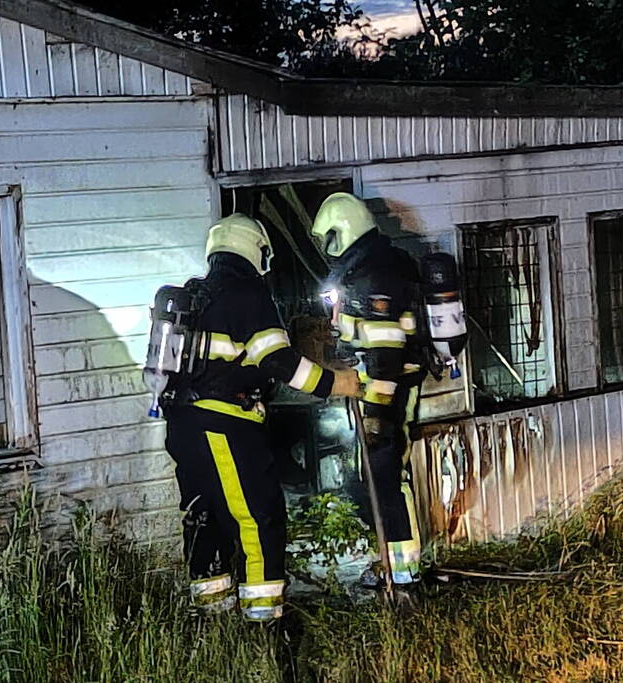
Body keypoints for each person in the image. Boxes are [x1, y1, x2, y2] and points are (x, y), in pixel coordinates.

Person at [163, 213, 359, 622]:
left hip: (184, 425)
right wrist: (335, 384)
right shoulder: (246, 294)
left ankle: (211, 619)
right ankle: (265, 624)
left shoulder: (198, 295)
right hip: (225, 426)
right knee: (257, 518)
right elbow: (280, 362)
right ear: (255, 249)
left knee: (206, 516)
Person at [311, 192, 426, 587]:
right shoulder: (367, 267)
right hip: (377, 389)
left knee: (385, 476)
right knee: (375, 478)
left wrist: (377, 412)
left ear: (342, 230)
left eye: (328, 237)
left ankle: (403, 571)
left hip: (389, 391)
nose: (327, 248)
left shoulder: (377, 273)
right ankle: (392, 563)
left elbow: (387, 348)